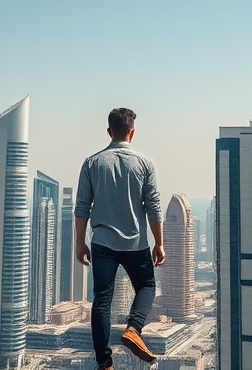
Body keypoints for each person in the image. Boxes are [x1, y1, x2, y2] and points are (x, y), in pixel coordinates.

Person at [75, 107, 165, 370]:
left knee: (102, 300)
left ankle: (105, 364)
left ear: (109, 131)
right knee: (146, 286)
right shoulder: (145, 164)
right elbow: (154, 207)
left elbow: (82, 207)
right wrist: (159, 243)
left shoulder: (92, 163)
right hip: (135, 242)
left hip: (102, 243)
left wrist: (80, 242)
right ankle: (133, 329)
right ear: (132, 133)